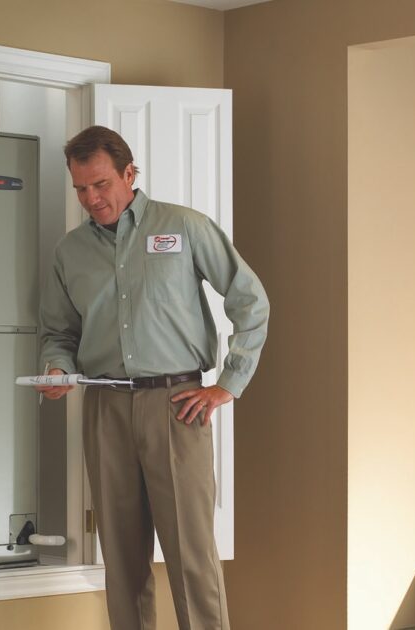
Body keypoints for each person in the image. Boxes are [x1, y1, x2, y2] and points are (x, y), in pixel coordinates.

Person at [35, 125, 269, 630]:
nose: (91, 198)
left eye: (100, 184)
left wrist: (229, 382)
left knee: (192, 558)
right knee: (120, 561)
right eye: (80, 188)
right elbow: (59, 333)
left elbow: (250, 300)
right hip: (105, 408)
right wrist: (58, 369)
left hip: (177, 404)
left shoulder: (184, 227)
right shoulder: (69, 253)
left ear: (129, 173)